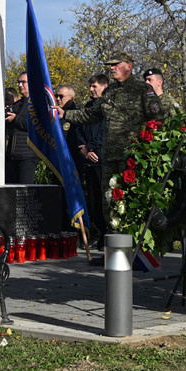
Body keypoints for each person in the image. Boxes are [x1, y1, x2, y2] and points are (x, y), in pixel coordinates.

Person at [59, 51, 166, 230]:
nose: (112, 68)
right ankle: (115, 251)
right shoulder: (109, 91)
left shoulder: (142, 90)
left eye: (116, 64)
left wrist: (144, 147)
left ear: (129, 67)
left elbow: (158, 119)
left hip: (131, 158)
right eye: (111, 65)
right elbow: (91, 115)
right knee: (109, 203)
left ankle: (134, 250)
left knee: (131, 201)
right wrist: (67, 114)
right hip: (109, 158)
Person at [72, 74, 109, 246]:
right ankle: (95, 232)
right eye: (90, 86)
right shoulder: (88, 106)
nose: (91, 90)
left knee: (103, 200)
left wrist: (92, 148)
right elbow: (79, 127)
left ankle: (105, 235)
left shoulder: (108, 107)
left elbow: (105, 131)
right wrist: (83, 147)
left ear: (104, 86)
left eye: (94, 86)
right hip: (87, 157)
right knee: (92, 199)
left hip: (100, 157)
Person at [5, 72, 40, 184]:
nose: (20, 85)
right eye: (19, 82)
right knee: (10, 192)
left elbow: (35, 125)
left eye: (23, 82)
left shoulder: (38, 103)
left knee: (25, 194)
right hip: (11, 156)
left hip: (27, 156)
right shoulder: (17, 104)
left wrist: (15, 119)